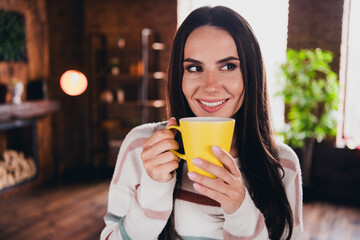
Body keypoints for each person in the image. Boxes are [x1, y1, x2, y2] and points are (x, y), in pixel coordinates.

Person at [101, 6, 303, 240]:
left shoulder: (282, 164)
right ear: (180, 76)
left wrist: (240, 210)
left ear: (252, 73)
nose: (210, 86)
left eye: (228, 66)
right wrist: (154, 188)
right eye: (194, 68)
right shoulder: (142, 147)